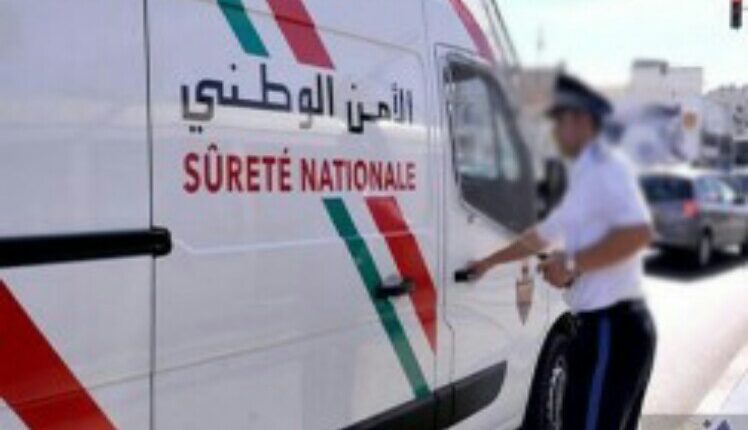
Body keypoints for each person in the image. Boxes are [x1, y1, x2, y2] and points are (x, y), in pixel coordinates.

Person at [464, 74, 657, 430]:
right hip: (604, 330)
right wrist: (488, 263)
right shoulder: (587, 176)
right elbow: (540, 236)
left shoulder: (605, 169)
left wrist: (571, 264)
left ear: (582, 121)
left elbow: (638, 234)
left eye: (560, 122)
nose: (554, 133)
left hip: (612, 330)